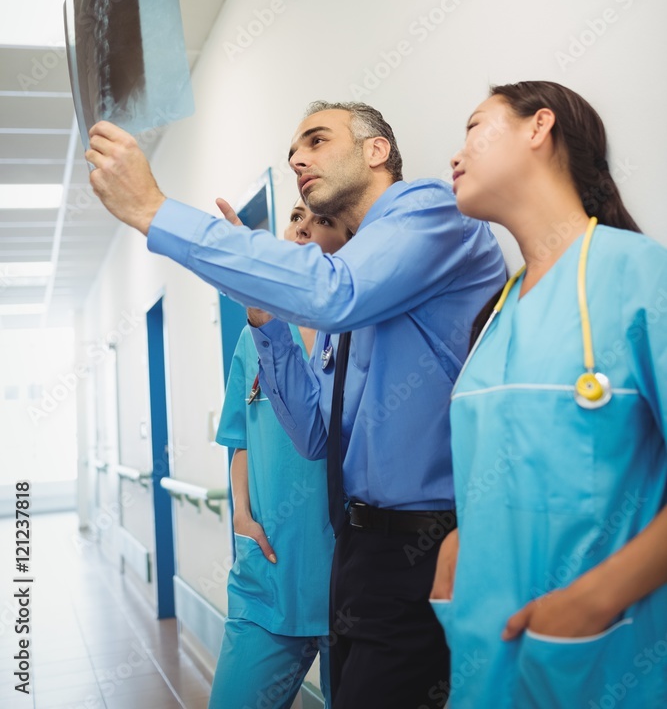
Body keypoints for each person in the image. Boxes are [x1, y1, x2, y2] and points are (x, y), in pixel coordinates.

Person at [85, 100, 506, 709]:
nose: (298, 159)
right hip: (358, 549)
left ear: (376, 150)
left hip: (429, 541)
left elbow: (334, 293)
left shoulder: (431, 211)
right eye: (292, 153)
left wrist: (156, 211)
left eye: (315, 140)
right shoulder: (346, 282)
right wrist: (267, 323)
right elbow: (314, 435)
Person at [430, 81, 667, 709]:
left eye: (474, 127)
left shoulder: (640, 274)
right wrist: (459, 541)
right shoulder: (497, 312)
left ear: (540, 127)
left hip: (597, 658)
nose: (454, 156)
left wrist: (592, 601)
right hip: (486, 662)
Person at [209, 200, 350, 709]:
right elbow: (240, 438)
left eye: (321, 218)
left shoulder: (356, 331)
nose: (304, 226)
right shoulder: (256, 336)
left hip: (346, 578)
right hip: (269, 573)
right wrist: (242, 517)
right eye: (295, 216)